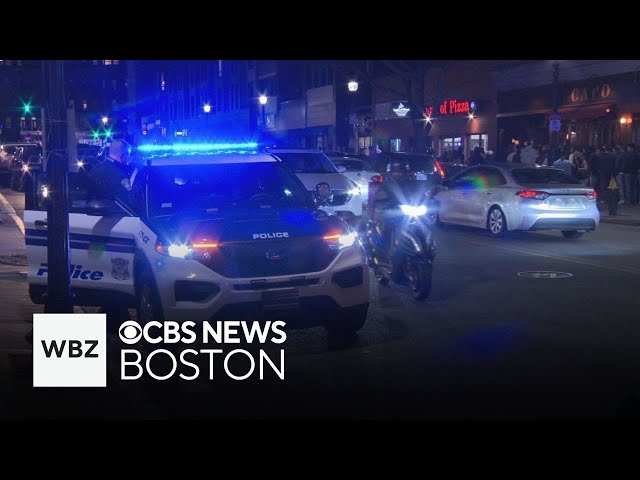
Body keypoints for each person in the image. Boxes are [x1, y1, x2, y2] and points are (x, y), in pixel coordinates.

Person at [87, 139, 136, 204]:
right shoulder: (119, 173)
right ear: (122, 154)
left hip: (93, 211)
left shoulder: (95, 169)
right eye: (128, 154)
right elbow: (128, 199)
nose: (128, 157)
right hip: (115, 212)